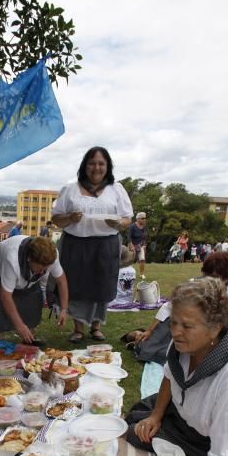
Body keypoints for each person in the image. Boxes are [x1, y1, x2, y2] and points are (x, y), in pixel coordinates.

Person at [124, 277, 228, 456]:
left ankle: (179, 449)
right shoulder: (180, 345)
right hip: (184, 413)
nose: (175, 331)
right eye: (174, 322)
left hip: (210, 436)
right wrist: (156, 415)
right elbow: (169, 374)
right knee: (137, 418)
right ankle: (166, 432)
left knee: (135, 432)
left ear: (216, 328)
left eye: (187, 326)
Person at [52, 146, 133, 343]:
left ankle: (96, 326)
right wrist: (70, 217)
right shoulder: (70, 189)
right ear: (84, 165)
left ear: (107, 166)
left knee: (102, 284)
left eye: (101, 164)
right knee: (76, 285)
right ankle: (78, 328)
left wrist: (118, 223)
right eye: (92, 163)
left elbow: (127, 219)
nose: (96, 167)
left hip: (106, 244)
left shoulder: (116, 189)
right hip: (75, 244)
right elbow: (56, 220)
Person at [122, 250, 228, 363]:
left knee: (179, 358)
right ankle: (137, 336)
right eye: (206, 275)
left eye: (214, 277)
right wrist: (149, 330)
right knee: (147, 349)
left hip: (207, 339)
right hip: (179, 328)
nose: (207, 280)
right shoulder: (193, 285)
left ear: (227, 279)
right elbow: (168, 308)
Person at [0, 236, 68, 344]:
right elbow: (5, 297)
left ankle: (30, 338)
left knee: (32, 303)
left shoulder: (51, 256)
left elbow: (61, 281)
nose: (43, 271)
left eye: (45, 268)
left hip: (26, 275)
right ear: (30, 259)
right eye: (40, 268)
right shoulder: (12, 259)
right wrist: (19, 325)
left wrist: (64, 309)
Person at [128, 212, 147, 279]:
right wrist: (131, 245)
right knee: (131, 260)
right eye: (142, 218)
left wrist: (144, 245)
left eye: (145, 218)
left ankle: (142, 274)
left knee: (142, 259)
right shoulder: (132, 226)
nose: (144, 220)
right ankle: (129, 273)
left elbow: (144, 237)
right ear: (138, 219)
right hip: (133, 245)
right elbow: (129, 236)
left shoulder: (144, 227)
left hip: (141, 245)